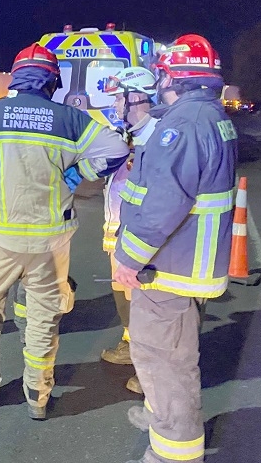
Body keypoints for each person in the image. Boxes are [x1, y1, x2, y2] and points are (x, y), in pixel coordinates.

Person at [0, 43, 129, 420]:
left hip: (0, 235)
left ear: (16, 79)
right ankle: (38, 395)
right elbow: (115, 150)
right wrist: (80, 174)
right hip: (52, 240)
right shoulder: (69, 120)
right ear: (53, 82)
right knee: (44, 315)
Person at [113, 35, 237, 463]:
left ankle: (174, 451)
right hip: (189, 262)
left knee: (163, 358)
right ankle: (159, 415)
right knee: (168, 352)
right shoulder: (207, 116)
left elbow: (163, 202)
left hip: (170, 266)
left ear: (171, 76)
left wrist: (127, 257)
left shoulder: (183, 125)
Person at [98, 66, 159, 395]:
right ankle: (131, 345)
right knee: (123, 291)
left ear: (135, 98)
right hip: (118, 225)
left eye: (118, 99)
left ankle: (151, 366)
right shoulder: (124, 132)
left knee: (146, 297)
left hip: (141, 232)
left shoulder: (157, 136)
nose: (114, 105)